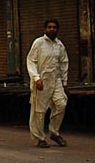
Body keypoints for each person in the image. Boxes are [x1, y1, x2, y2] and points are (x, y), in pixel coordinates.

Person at [26, 18, 69, 148]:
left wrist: (64, 82)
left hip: (56, 80)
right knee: (40, 110)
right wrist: (36, 78)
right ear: (45, 29)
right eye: (49, 27)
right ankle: (40, 138)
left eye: (54, 27)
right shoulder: (38, 43)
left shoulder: (60, 45)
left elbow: (64, 63)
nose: (52, 29)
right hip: (41, 81)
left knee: (61, 103)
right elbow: (31, 61)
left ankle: (54, 132)